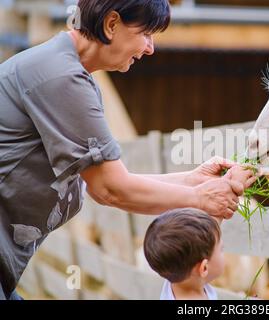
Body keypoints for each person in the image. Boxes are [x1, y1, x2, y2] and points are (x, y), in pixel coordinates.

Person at [0, 0, 255, 300]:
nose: (150, 48)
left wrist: (194, 180)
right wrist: (201, 198)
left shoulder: (71, 75)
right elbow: (111, 189)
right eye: (146, 34)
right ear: (111, 24)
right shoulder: (59, 77)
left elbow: (102, 181)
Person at [144, 165, 252, 300]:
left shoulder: (177, 275)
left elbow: (210, 229)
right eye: (221, 250)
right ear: (204, 268)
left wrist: (232, 184)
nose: (222, 251)